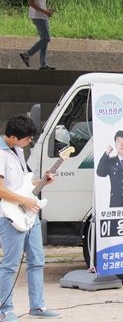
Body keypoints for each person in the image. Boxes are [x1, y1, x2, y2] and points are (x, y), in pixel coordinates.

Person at [0, 114, 60, 320]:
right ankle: (4, 309)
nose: (29, 142)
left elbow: (23, 184)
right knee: (10, 263)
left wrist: (41, 181)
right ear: (14, 136)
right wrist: (23, 201)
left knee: (37, 260)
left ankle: (37, 306)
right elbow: (0, 190)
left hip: (27, 212)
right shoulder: (0, 153)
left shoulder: (18, 150)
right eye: (26, 138)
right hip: (9, 215)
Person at [19, 0, 55, 70]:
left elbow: (39, 5)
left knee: (44, 40)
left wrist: (47, 11)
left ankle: (43, 64)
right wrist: (45, 12)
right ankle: (27, 54)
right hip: (37, 16)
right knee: (46, 38)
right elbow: (31, 3)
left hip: (42, 16)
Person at [96, 130, 123, 207]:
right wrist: (106, 154)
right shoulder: (111, 161)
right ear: (115, 145)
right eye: (118, 141)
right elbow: (100, 172)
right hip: (115, 203)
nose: (121, 144)